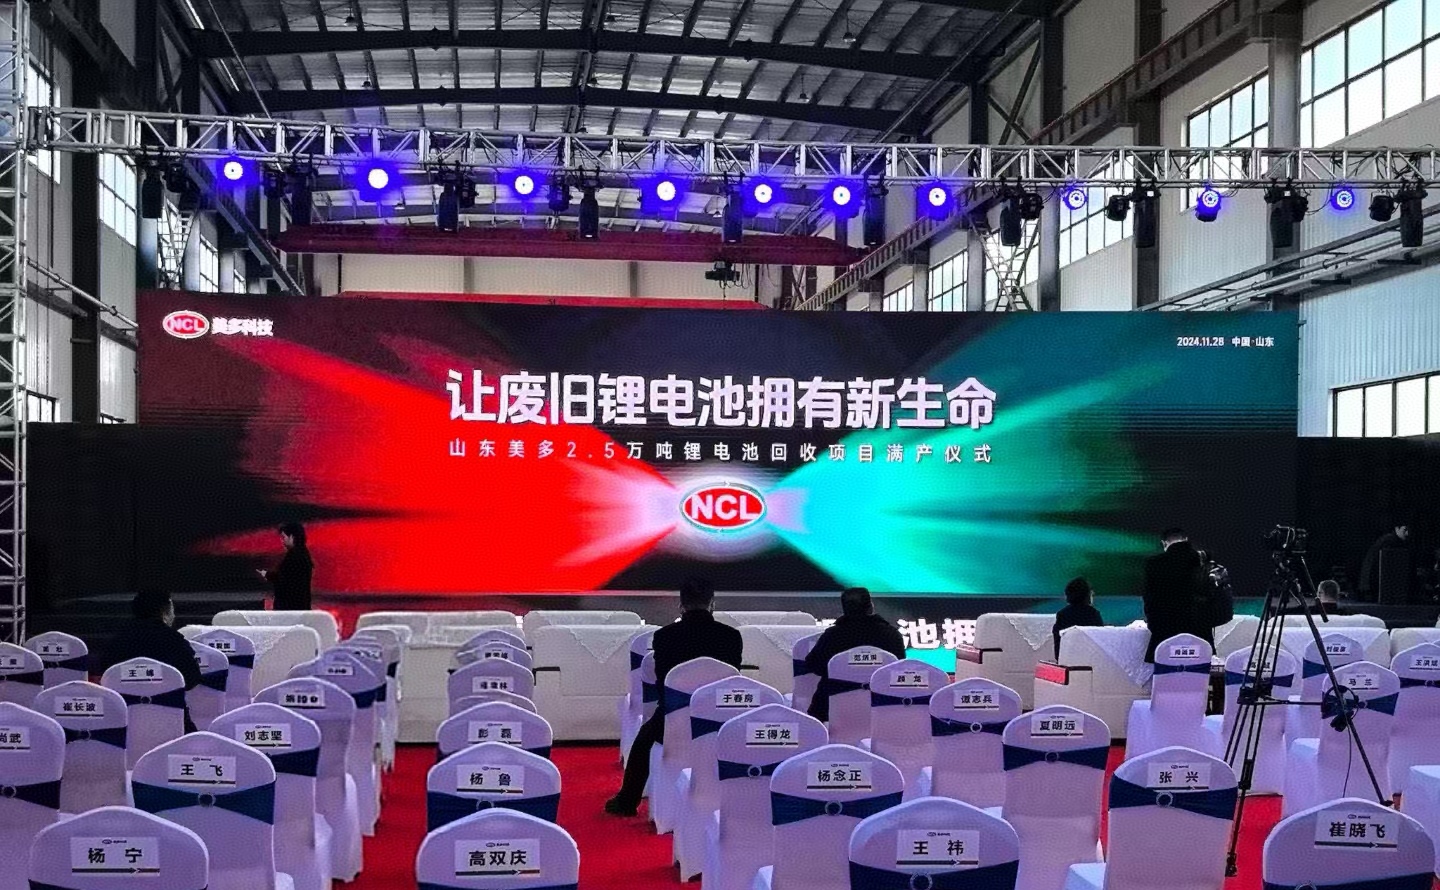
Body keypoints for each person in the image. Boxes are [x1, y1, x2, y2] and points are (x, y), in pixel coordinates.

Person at [605, 577, 742, 817]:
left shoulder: (664, 636)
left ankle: (627, 802)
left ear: (681, 605)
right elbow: (733, 679)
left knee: (643, 740)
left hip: (674, 720)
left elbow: (664, 684)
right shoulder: (731, 636)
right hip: (722, 719)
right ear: (712, 603)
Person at [94, 590, 204, 732]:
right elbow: (192, 679)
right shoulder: (175, 641)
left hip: (121, 726)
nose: (174, 615)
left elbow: (106, 677)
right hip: (171, 722)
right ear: (165, 611)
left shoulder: (116, 642)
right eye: (172, 609)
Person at [803, 587, 907, 722]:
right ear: (870, 607)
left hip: (833, 712)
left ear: (844, 609)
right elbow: (898, 669)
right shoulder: (892, 635)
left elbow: (813, 665)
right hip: (882, 707)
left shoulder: (832, 635)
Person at [1142, 527, 1220, 663]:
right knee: (1199, 672)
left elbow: (1149, 599)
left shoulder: (1154, 564)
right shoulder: (1203, 560)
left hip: (1165, 631)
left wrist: (1153, 625)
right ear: (1186, 539)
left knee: (1166, 672)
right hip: (1200, 632)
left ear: (1164, 543)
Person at [259, 521, 314, 610]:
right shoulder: (303, 554)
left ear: (292, 537)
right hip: (298, 607)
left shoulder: (294, 556)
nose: (282, 541)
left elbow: (285, 580)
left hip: (291, 608)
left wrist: (268, 575)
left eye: (284, 537)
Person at [1053, 577, 1104, 659]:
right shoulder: (1094, 614)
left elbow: (1058, 644)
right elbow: (1101, 641)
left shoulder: (1062, 614)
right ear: (1087, 595)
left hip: (1067, 659)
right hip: (1090, 660)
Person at [1358, 522, 1411, 602]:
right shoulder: (1388, 541)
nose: (1407, 534)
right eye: (1405, 530)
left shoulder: (1389, 540)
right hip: (1376, 582)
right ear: (1397, 529)